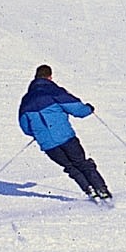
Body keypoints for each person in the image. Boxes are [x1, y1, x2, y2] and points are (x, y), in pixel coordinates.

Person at [18, 64, 112, 199]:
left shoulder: (26, 99)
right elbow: (76, 109)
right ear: (50, 77)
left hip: (48, 144)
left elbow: (25, 127)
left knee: (70, 167)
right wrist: (89, 109)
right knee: (82, 163)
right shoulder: (53, 91)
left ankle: (89, 190)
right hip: (66, 138)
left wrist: (38, 132)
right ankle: (102, 190)